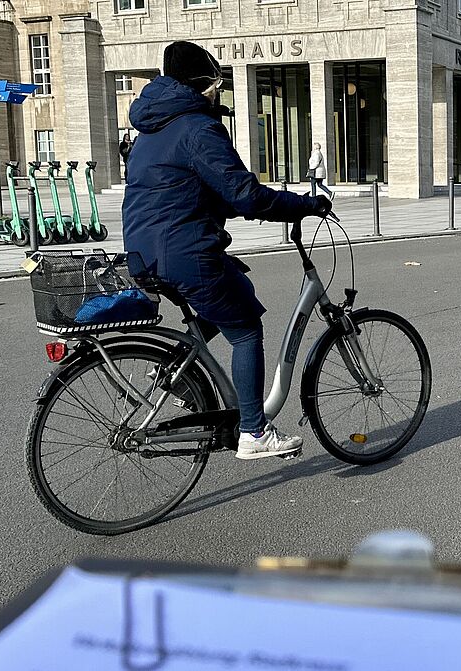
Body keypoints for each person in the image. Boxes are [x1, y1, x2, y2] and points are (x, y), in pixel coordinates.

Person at [122, 41, 332, 460]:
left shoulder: (152, 128)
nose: (219, 92)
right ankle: (254, 432)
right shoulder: (197, 127)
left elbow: (187, 191)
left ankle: (171, 370)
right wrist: (306, 204)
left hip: (145, 251)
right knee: (247, 328)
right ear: (201, 85)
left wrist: (236, 210)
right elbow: (244, 194)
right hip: (183, 249)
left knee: (229, 287)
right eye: (217, 83)